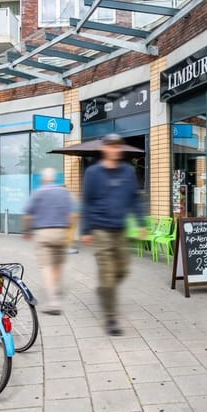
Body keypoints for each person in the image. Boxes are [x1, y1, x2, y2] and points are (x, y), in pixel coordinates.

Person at [81, 134, 147, 336]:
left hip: (121, 230)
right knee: (108, 275)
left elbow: (134, 199)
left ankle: (104, 289)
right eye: (111, 146)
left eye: (117, 146)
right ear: (105, 148)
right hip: (101, 231)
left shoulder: (127, 171)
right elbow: (87, 201)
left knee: (123, 270)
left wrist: (141, 223)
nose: (114, 149)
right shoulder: (93, 173)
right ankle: (111, 318)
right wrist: (86, 229)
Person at [23, 168, 76, 315]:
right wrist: (68, 229)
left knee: (46, 267)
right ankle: (57, 288)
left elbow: (28, 215)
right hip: (61, 232)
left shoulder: (38, 193)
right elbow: (73, 214)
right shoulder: (64, 192)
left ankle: (53, 302)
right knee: (58, 264)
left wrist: (27, 231)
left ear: (43, 179)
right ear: (54, 179)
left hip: (43, 234)